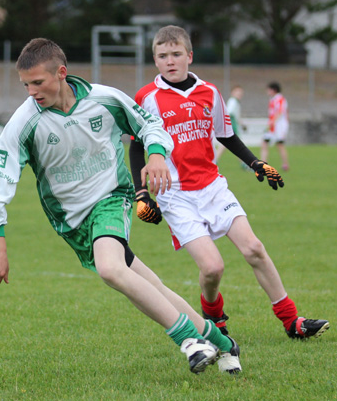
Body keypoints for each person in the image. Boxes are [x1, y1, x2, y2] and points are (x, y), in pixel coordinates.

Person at [0, 38, 242, 375]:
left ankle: (191, 341)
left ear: (61, 73)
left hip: (112, 198)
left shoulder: (104, 99)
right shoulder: (24, 123)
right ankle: (223, 344)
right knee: (149, 285)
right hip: (73, 224)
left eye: (38, 82)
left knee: (110, 269)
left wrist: (157, 154)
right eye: (25, 84)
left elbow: (149, 124)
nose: (31, 91)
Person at [129, 25, 329, 341]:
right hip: (176, 195)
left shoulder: (209, 92)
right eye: (163, 55)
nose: (170, 61)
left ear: (189, 56)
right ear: (155, 59)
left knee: (255, 249)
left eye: (176, 54)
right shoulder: (146, 98)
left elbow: (226, 134)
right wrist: (142, 195)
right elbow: (137, 145)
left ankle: (292, 321)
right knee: (212, 269)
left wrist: (256, 164)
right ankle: (212, 314)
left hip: (213, 186)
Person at [261, 82, 290, 171]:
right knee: (264, 142)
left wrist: (273, 122)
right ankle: (263, 164)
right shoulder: (272, 99)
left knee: (280, 144)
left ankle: (285, 164)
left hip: (279, 125)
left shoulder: (280, 99)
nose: (267, 92)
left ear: (273, 90)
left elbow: (280, 112)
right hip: (272, 125)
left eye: (269, 89)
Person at [214, 85, 245, 165]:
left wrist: (241, 123)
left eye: (240, 92)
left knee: (231, 145)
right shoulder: (233, 101)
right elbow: (230, 113)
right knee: (236, 144)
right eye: (237, 92)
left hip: (232, 125)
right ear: (232, 92)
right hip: (232, 126)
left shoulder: (235, 102)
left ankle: (243, 162)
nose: (239, 94)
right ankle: (244, 163)